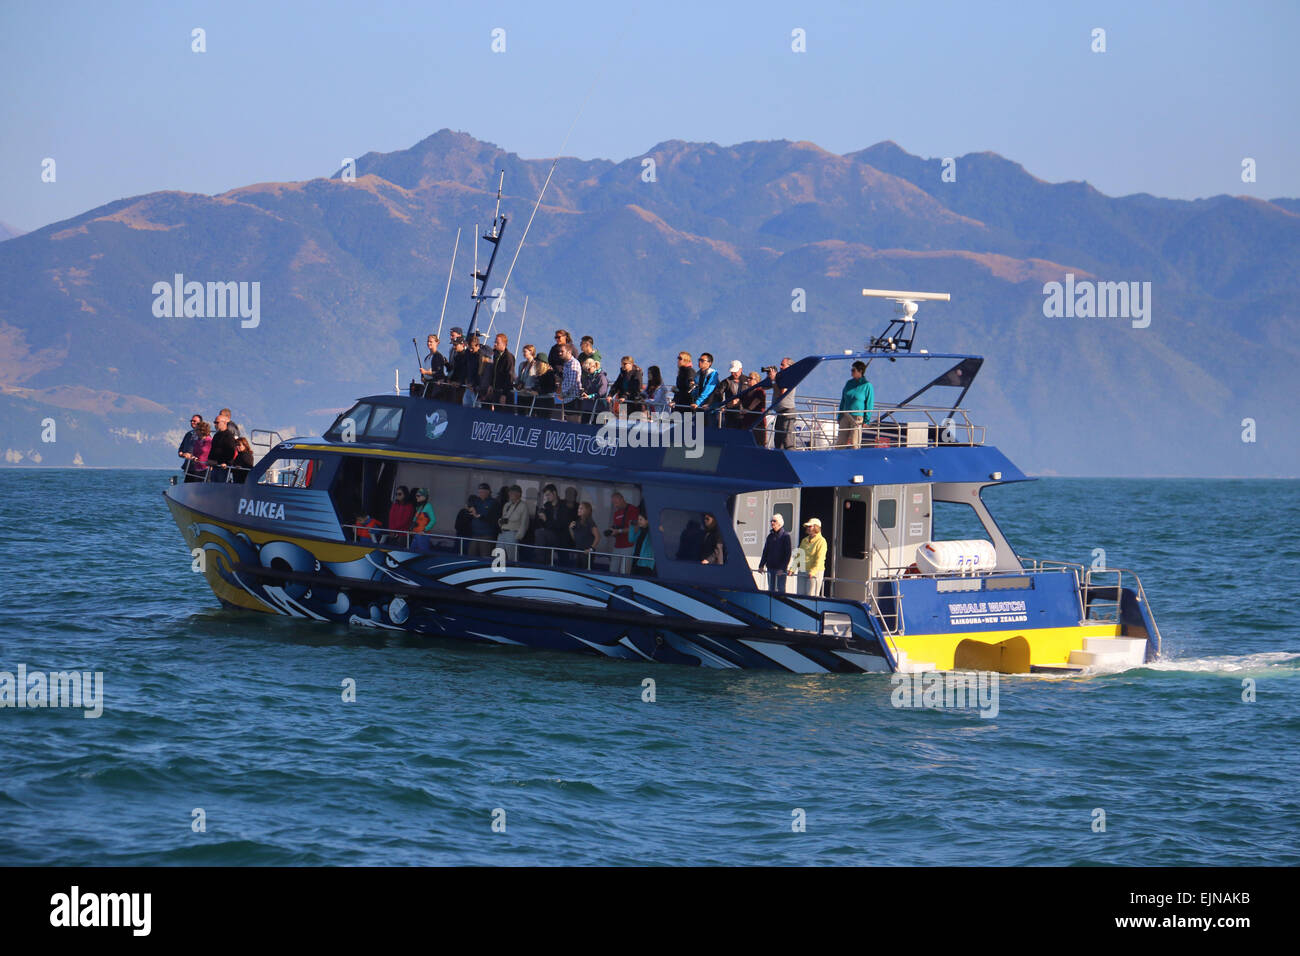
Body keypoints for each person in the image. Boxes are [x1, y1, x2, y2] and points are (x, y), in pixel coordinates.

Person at [838, 360, 873, 449]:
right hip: (846, 415)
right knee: (840, 442)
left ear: (860, 371)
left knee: (854, 442)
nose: (851, 372)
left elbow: (869, 404)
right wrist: (840, 416)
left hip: (857, 417)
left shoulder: (867, 385)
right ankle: (838, 458)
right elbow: (843, 400)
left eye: (853, 370)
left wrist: (866, 420)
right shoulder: (849, 383)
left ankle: (854, 459)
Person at [604, 492, 639, 573]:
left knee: (625, 571)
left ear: (622, 499)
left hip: (628, 546)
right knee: (612, 570)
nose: (615, 505)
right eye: (613, 503)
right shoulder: (616, 513)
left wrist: (619, 531)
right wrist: (613, 532)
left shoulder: (633, 510)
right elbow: (616, 527)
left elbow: (635, 529)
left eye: (616, 502)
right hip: (617, 545)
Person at [758, 513, 792, 593]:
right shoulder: (770, 536)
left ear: (780, 523)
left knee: (781, 589)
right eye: (771, 521)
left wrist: (783, 568)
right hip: (770, 568)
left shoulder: (785, 536)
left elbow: (788, 554)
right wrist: (761, 565)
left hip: (780, 569)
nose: (772, 523)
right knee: (771, 589)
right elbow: (765, 551)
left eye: (774, 521)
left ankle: (781, 604)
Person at [792, 517, 827, 596]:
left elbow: (820, 559)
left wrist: (813, 572)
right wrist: (793, 568)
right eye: (807, 526)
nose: (807, 528)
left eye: (810, 526)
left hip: (815, 572)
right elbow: (799, 555)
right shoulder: (804, 540)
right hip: (802, 570)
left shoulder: (822, 541)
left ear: (816, 527)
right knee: (800, 595)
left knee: (811, 596)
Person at [466, 482, 500, 557]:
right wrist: (470, 507)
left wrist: (478, 515)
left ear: (488, 492)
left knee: (485, 558)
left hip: (487, 536)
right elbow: (469, 502)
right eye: (479, 492)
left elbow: (492, 518)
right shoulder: (476, 501)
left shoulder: (493, 503)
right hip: (475, 535)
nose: (480, 494)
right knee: (470, 556)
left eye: (482, 492)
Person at [496, 484, 529, 560]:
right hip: (502, 533)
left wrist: (517, 537)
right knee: (498, 556)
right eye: (509, 492)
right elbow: (503, 517)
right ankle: (498, 571)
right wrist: (500, 522)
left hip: (512, 534)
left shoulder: (523, 506)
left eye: (512, 492)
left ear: (518, 494)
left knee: (512, 558)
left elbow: (524, 523)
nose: (510, 494)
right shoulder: (507, 504)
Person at [770, 357, 797, 449]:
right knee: (778, 441)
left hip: (787, 412)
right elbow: (765, 387)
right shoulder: (782, 377)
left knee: (787, 441)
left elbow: (781, 393)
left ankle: (791, 458)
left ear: (790, 366)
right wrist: (770, 378)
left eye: (783, 365)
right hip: (780, 412)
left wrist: (774, 380)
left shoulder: (790, 377)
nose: (780, 367)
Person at [487, 332, 516, 410]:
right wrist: (491, 385)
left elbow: (509, 376)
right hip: (496, 391)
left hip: (503, 392)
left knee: (504, 415)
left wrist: (504, 394)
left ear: (504, 344)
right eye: (495, 342)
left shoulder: (508, 357)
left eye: (497, 342)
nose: (495, 344)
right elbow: (494, 372)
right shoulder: (496, 355)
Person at [556, 342, 583, 422]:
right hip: (567, 399)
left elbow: (572, 382)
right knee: (569, 421)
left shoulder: (573, 363)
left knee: (574, 422)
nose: (560, 353)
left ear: (569, 352)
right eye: (559, 351)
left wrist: (563, 394)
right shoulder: (566, 364)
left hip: (573, 398)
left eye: (562, 351)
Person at [208, 408, 237, 482]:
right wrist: (210, 460)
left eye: (217, 422)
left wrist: (226, 463)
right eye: (214, 422)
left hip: (223, 467)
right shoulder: (216, 435)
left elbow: (231, 451)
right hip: (215, 466)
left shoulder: (229, 436)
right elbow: (213, 449)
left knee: (221, 485)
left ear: (224, 423)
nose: (215, 424)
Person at [568, 501, 598, 567]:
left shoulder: (590, 522)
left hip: (587, 553)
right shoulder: (577, 522)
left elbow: (597, 537)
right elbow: (574, 538)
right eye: (579, 508)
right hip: (578, 551)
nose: (579, 510)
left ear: (587, 510)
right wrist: (570, 529)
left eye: (581, 508)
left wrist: (591, 549)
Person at [579, 357, 609, 422]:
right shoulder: (589, 377)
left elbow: (601, 393)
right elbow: (586, 388)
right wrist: (583, 392)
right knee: (583, 426)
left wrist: (590, 396)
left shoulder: (602, 377)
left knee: (597, 428)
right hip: (587, 408)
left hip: (599, 409)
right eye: (586, 369)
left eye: (589, 369)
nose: (587, 371)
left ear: (594, 366)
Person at [717, 360, 745, 427]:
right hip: (730, 413)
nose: (733, 373)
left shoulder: (748, 381)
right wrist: (724, 405)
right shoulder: (726, 381)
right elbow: (718, 394)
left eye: (735, 371)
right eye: (732, 372)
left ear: (741, 369)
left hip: (744, 413)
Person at [411, 488, 438, 553]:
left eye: (418, 496)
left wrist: (425, 530)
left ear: (424, 497)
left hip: (423, 535)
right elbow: (415, 520)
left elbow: (433, 520)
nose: (416, 497)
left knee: (423, 554)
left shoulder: (428, 506)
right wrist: (411, 529)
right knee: (411, 552)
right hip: (416, 534)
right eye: (416, 496)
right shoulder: (419, 507)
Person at [741, 370, 766, 437]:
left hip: (757, 422)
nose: (748, 380)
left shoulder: (760, 391)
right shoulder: (746, 392)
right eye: (748, 378)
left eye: (751, 378)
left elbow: (757, 400)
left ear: (756, 381)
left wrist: (748, 409)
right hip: (747, 421)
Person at [630, 512, 655, 576]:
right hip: (636, 560)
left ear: (647, 521)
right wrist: (632, 527)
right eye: (638, 519)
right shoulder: (640, 531)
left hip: (646, 563)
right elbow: (631, 539)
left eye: (641, 519)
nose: (638, 521)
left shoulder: (651, 532)